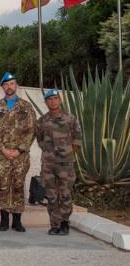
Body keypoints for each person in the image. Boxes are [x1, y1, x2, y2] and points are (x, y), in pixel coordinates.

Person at [0, 72, 36, 232]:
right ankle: (3, 219)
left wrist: (18, 150)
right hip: (2, 155)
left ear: (16, 86)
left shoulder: (26, 107)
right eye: (6, 84)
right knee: (3, 186)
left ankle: (17, 220)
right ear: (2, 87)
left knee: (17, 185)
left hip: (20, 156)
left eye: (12, 84)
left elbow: (31, 130)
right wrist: (3, 149)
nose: (9, 87)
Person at [36, 89, 82, 236]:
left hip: (65, 164)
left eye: (55, 98)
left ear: (60, 100)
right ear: (45, 102)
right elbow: (40, 139)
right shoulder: (42, 121)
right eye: (49, 99)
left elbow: (77, 138)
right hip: (48, 164)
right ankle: (54, 224)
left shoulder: (70, 118)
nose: (53, 101)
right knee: (51, 195)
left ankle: (64, 223)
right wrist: (50, 154)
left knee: (65, 194)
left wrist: (68, 153)